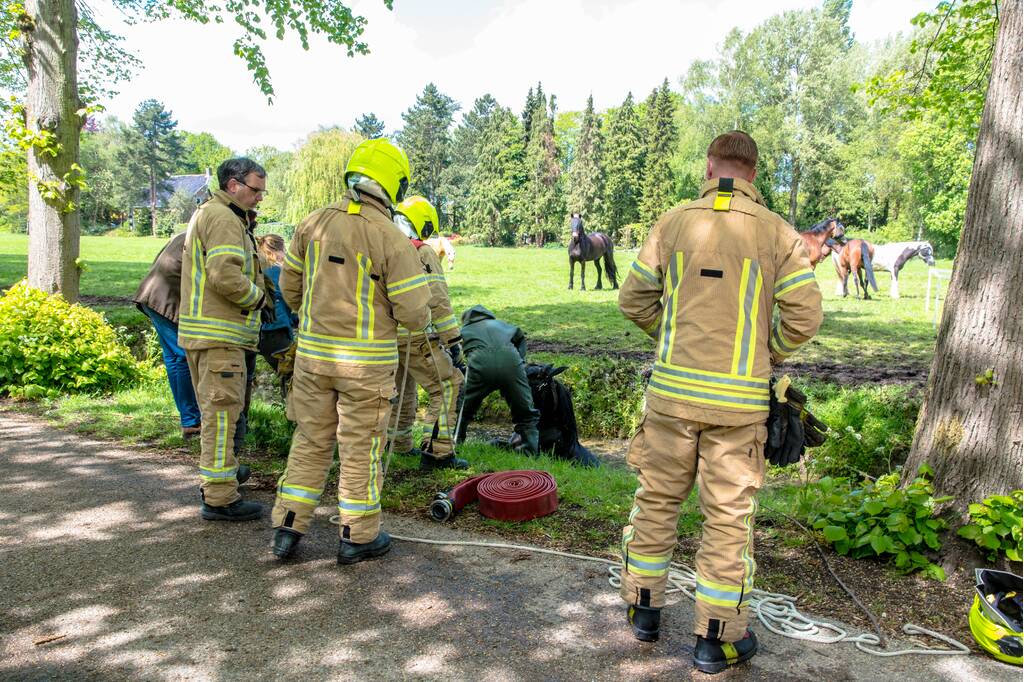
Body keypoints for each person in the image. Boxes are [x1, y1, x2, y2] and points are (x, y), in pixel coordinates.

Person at [616, 131, 823, 674]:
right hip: (738, 406)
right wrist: (768, 352)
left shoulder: (674, 220)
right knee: (728, 521)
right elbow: (805, 317)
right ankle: (716, 640)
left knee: (657, 500)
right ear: (754, 172)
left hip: (670, 397)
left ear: (710, 167)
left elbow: (632, 299)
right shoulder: (778, 233)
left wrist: (671, 335)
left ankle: (643, 612)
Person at [269, 138, 432, 563]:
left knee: (310, 439)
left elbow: (289, 288)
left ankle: (286, 528)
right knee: (361, 447)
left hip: (312, 360)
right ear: (393, 184)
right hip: (366, 367)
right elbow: (416, 313)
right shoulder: (391, 239)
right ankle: (357, 536)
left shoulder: (312, 224)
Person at [179, 157, 270, 522]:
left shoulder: (217, 214)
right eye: (255, 189)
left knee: (223, 414)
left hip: (214, 335)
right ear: (233, 185)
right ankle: (219, 497)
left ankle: (224, 473)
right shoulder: (222, 218)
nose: (260, 198)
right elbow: (224, 275)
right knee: (221, 417)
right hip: (219, 337)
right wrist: (259, 299)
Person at [389, 195, 467, 470]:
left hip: (384, 338)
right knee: (448, 384)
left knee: (401, 388)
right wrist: (454, 342)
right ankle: (437, 453)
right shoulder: (422, 252)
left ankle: (397, 443)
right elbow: (438, 300)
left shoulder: (382, 247)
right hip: (416, 335)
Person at [132, 231, 202, 439]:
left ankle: (190, 419)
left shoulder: (185, 234)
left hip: (153, 296)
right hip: (164, 301)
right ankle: (191, 421)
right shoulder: (202, 235)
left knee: (174, 358)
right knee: (181, 357)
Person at [455, 305, 540, 454]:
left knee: (463, 409)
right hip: (511, 363)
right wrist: (519, 362)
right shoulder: (504, 325)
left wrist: (460, 368)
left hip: (480, 365)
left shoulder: (463, 331)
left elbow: (453, 351)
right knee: (526, 412)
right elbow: (520, 338)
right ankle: (530, 451)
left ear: (466, 320)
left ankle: (455, 446)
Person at [255, 233, 297, 374]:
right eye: (284, 250)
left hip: (262, 334)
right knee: (292, 376)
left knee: (285, 375)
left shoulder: (260, 271)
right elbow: (292, 300)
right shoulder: (278, 272)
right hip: (278, 332)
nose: (285, 253)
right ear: (273, 252)